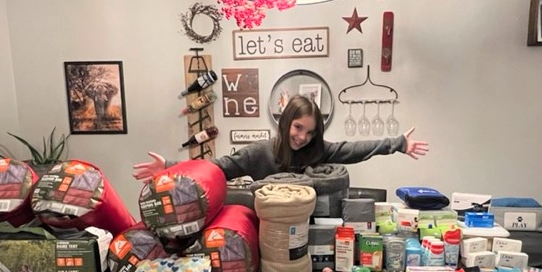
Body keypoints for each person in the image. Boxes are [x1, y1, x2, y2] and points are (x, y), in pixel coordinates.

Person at [133, 94, 429, 182]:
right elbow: (216, 167)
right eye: (298, 127)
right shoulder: (258, 153)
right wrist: (171, 166)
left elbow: (354, 149)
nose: (303, 136)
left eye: (311, 131)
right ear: (286, 121)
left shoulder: (317, 151)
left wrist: (398, 143)